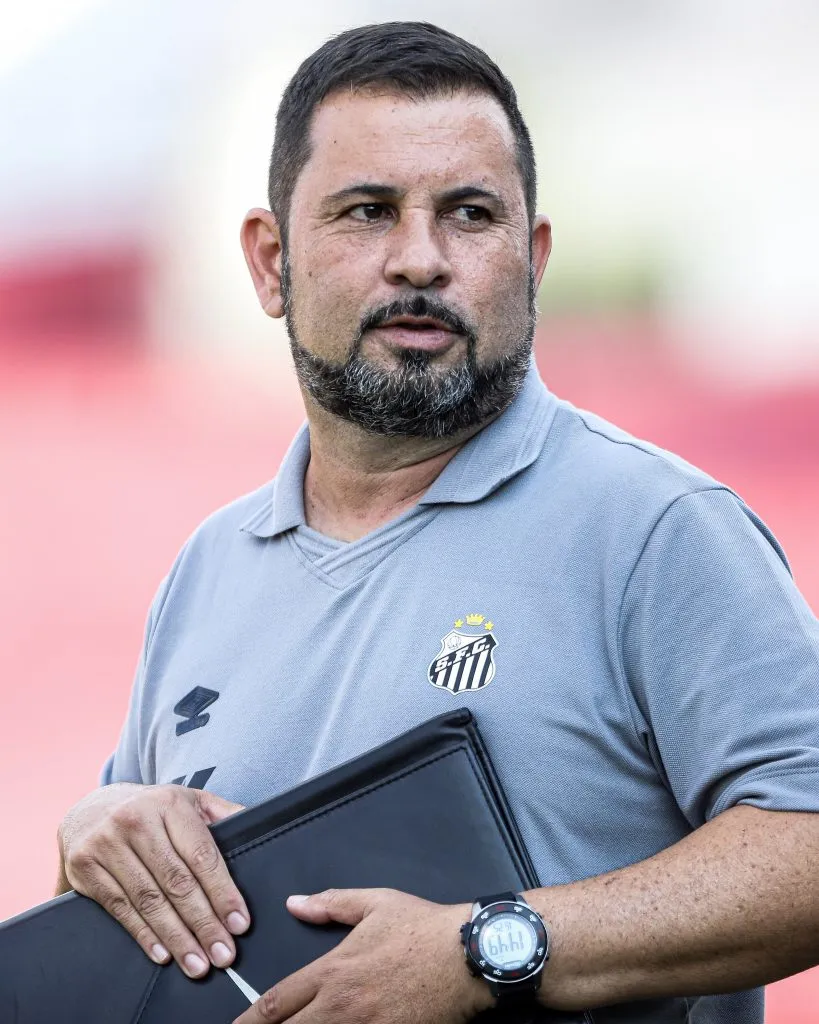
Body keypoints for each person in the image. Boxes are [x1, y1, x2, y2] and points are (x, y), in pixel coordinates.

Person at [55, 21, 819, 1024]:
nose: (420, 259)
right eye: (368, 212)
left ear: (532, 260)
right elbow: (133, 935)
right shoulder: (209, 567)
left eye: (469, 214)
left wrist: (490, 949)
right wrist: (94, 832)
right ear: (271, 262)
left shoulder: (655, 531)